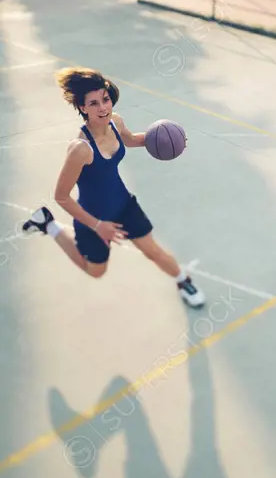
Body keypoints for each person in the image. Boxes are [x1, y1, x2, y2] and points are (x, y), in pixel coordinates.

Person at [23, 67, 205, 308]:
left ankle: (183, 280)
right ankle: (48, 224)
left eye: (105, 99)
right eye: (94, 103)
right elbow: (62, 197)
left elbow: (130, 140)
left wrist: (170, 141)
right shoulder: (80, 149)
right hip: (93, 216)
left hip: (123, 204)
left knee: (153, 251)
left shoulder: (116, 122)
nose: (103, 108)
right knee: (96, 271)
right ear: (82, 108)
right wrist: (99, 226)